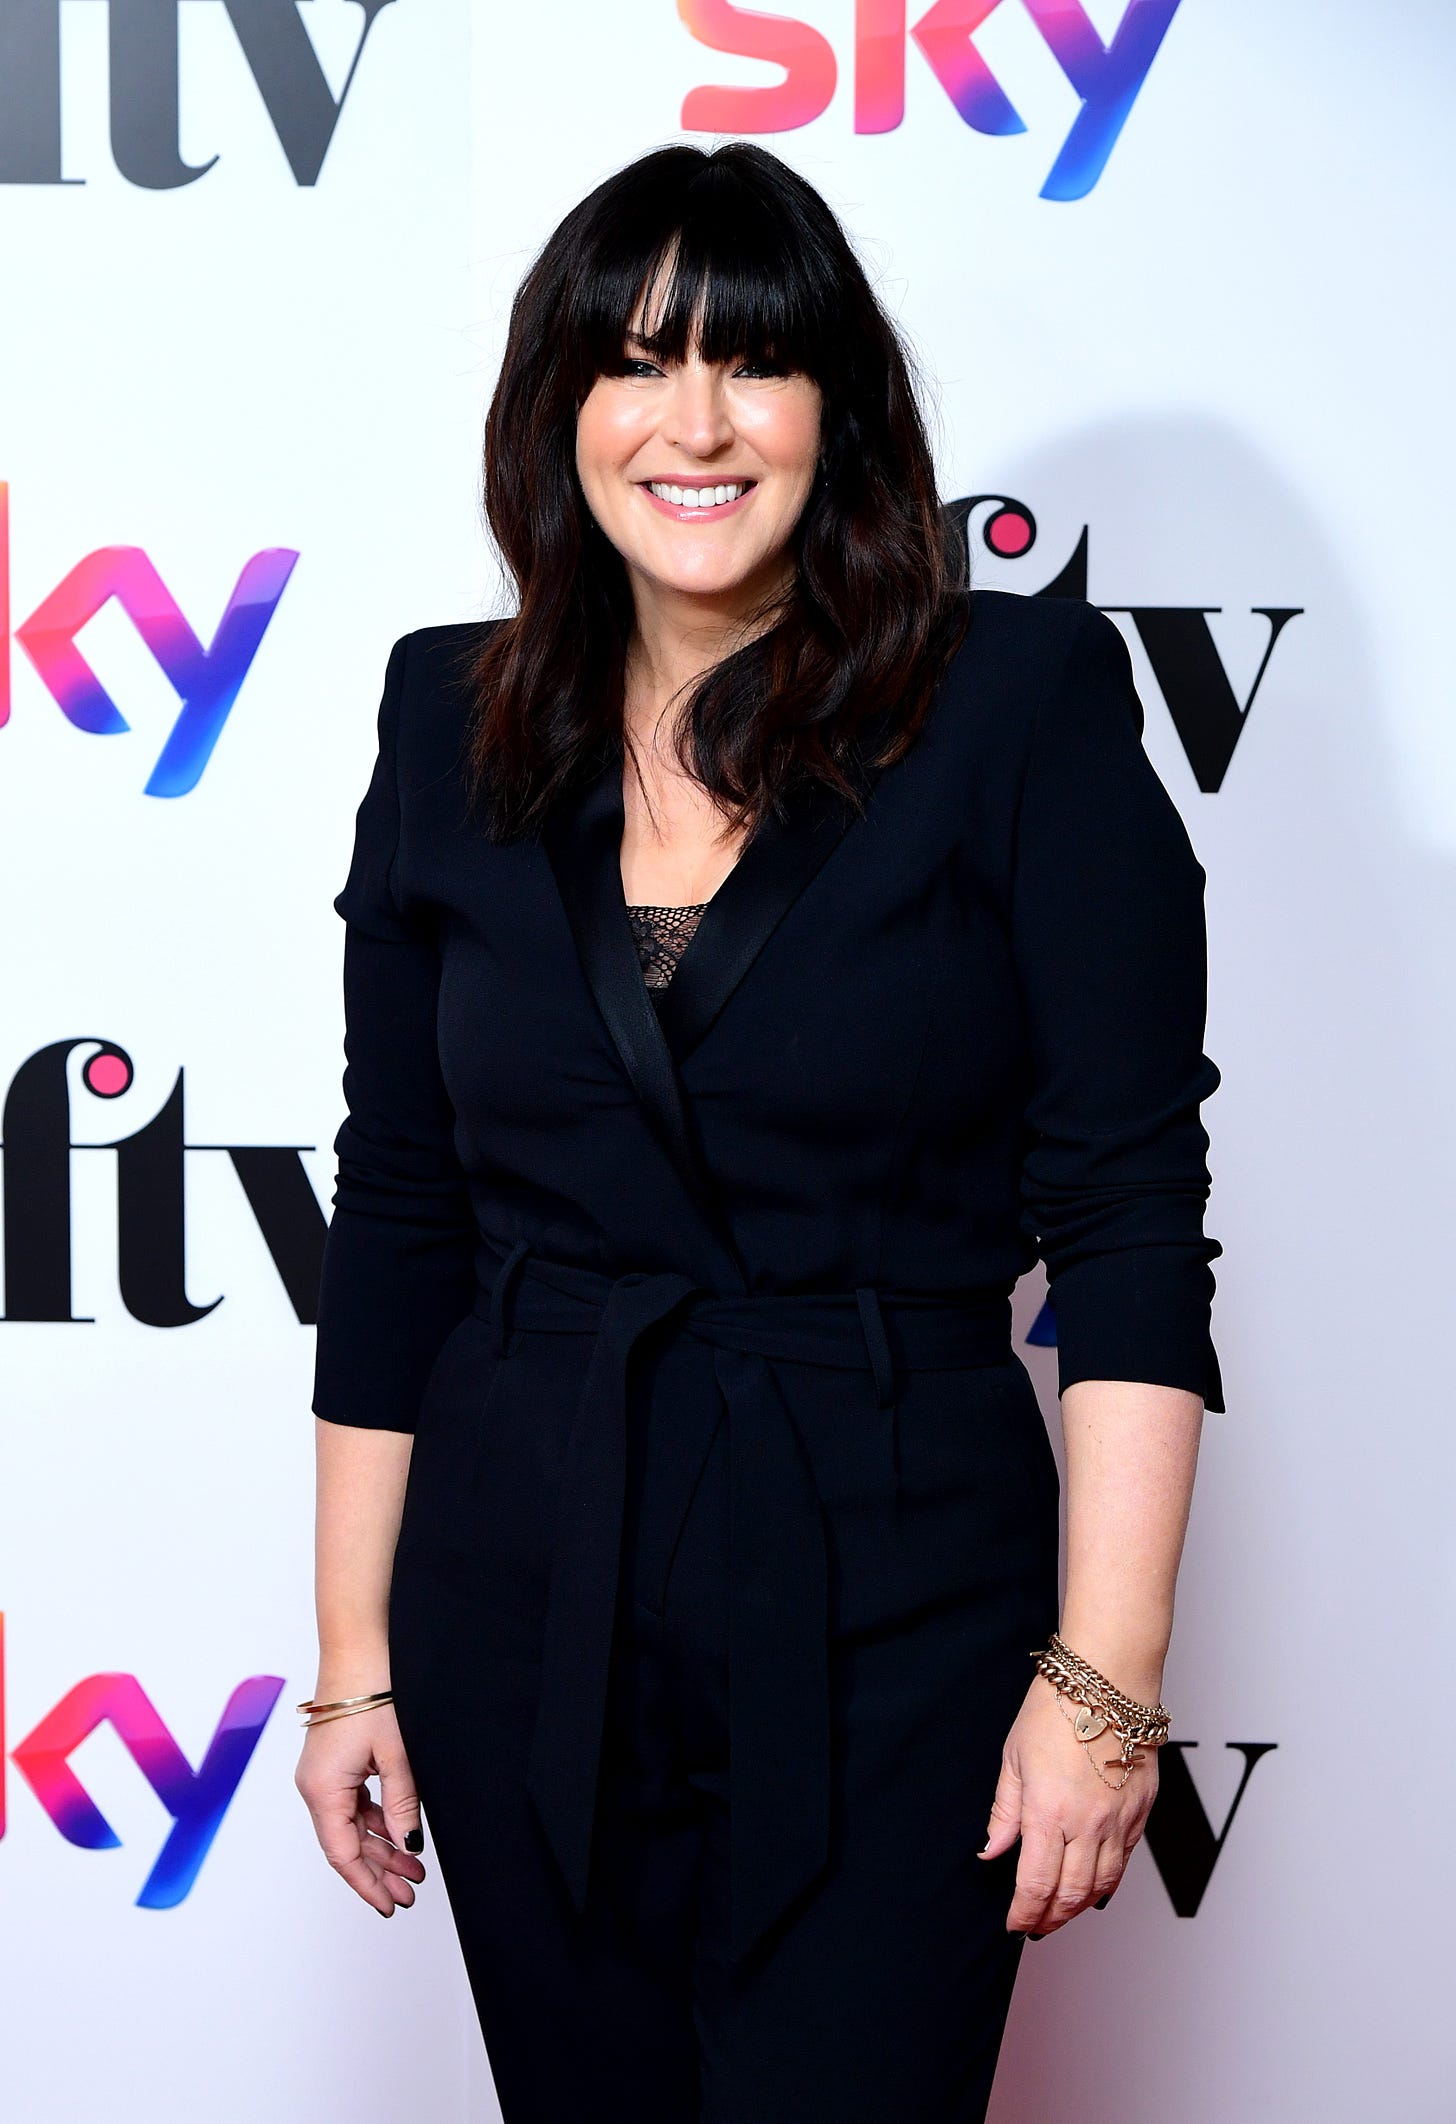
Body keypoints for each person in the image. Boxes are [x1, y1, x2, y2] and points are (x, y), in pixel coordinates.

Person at [294, 141, 1223, 2123]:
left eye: (752, 366)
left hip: (891, 1584)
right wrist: (355, 1661)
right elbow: (397, 1218)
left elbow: (1132, 1220)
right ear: (561, 414)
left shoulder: (1015, 704)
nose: (691, 423)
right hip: (516, 1577)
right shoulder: (445, 723)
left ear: (839, 411)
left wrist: (1100, 1680)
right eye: (634, 364)